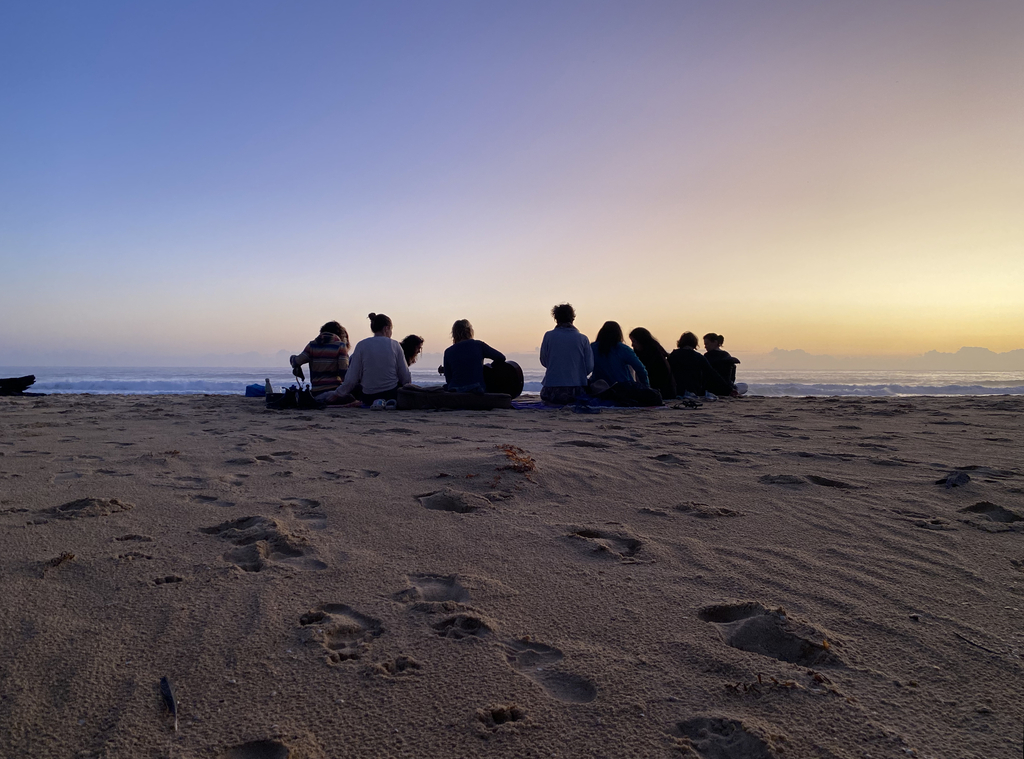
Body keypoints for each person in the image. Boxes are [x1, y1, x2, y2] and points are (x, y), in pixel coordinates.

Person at [322, 313, 411, 405]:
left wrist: (337, 394)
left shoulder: (361, 345)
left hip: (368, 397)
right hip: (390, 395)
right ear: (386, 328)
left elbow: (352, 378)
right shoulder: (395, 345)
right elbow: (405, 377)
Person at [539, 303, 593, 404]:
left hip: (551, 391)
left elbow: (544, 361)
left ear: (556, 318)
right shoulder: (583, 339)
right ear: (572, 318)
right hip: (576, 392)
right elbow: (589, 367)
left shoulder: (548, 336)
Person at [440, 319, 505, 393]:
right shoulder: (479, 345)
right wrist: (490, 368)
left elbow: (448, 379)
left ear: (454, 334)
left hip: (455, 391)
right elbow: (501, 357)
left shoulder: (448, 352)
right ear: (470, 331)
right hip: (477, 389)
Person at [289, 321, 349, 396]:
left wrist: (292, 358)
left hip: (316, 393)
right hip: (334, 392)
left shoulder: (312, 345)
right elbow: (344, 373)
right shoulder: (340, 346)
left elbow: (297, 361)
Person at [668, 331, 736, 397]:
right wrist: (729, 390)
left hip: (676, 390)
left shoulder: (673, 355)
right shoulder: (698, 357)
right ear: (694, 343)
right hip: (694, 390)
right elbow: (712, 373)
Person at [590, 321, 649, 388]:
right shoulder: (624, 349)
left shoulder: (592, 348)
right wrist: (646, 387)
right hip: (623, 390)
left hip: (599, 389)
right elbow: (641, 369)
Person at [628, 327, 676, 399]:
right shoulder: (646, 351)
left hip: (662, 390)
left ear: (641, 341)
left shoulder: (653, 354)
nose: (632, 345)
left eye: (634, 341)